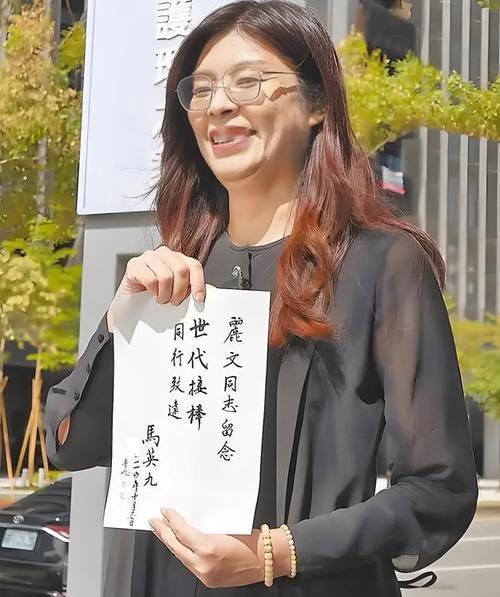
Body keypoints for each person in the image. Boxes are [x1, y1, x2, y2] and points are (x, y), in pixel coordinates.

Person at [44, 2, 478, 596]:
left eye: (248, 81)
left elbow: (438, 489)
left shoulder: (380, 263)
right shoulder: (173, 274)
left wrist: (276, 553)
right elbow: (71, 442)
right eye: (201, 89)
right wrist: (123, 319)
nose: (219, 105)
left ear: (317, 104)